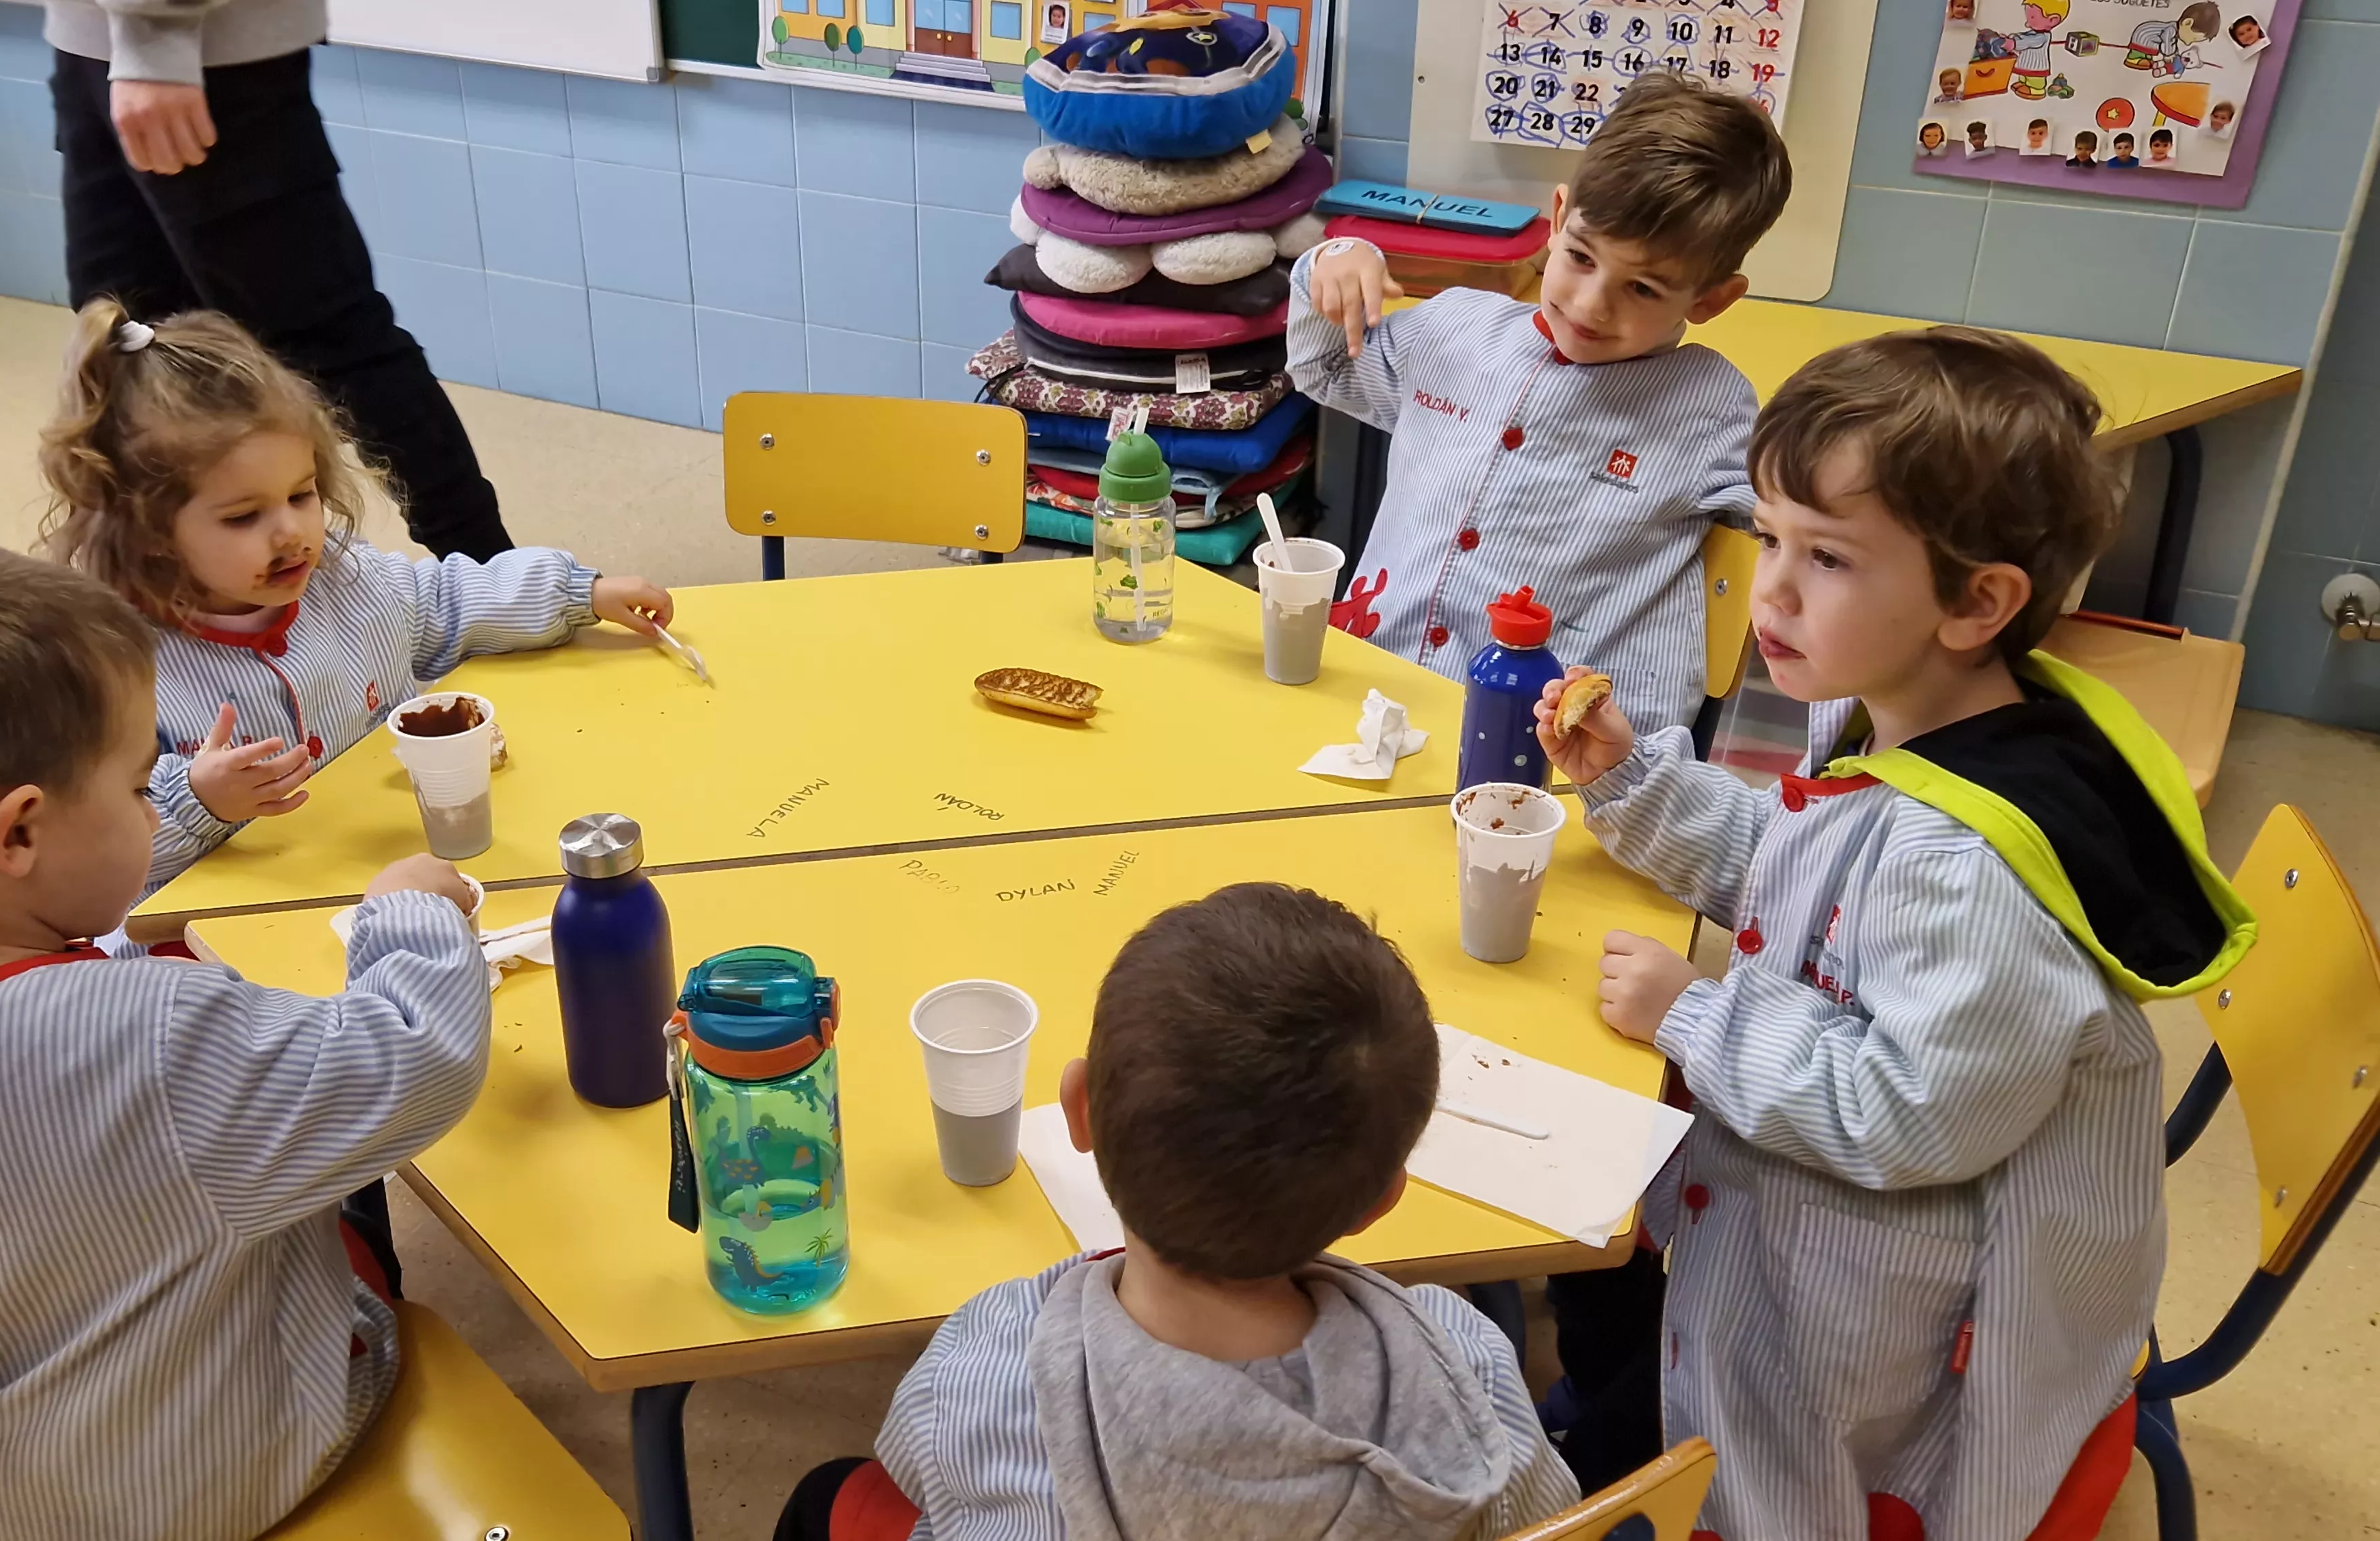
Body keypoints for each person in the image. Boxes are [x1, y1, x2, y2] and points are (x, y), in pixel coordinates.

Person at [1533, 327, 2252, 1539]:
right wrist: (1636, 787)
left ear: (1978, 602)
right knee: (1600, 1257)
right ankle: (1616, 1418)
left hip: (1884, 1333)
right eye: (1768, 536)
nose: (1771, 588)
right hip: (1827, 1209)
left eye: (1828, 557)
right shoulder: (1907, 717)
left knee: (1614, 1246)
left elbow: (1902, 1115)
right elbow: (1796, 861)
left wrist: (1694, 1011)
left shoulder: (1960, 869)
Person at [0, 537, 500, 1541]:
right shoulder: (161, 1038)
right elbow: (421, 1064)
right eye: (145, 786)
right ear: (18, 835)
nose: (159, 804)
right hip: (215, 1477)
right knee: (347, 1187)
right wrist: (411, 915)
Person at [778, 885, 1582, 1541]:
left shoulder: (982, 1364)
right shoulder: (1469, 1362)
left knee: (827, 1497)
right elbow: (1550, 1515)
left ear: (1078, 1110)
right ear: (1382, 1198)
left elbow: (920, 1474)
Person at [38, 300, 675, 896]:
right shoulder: (113, 672)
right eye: (242, 517)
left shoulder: (345, 581)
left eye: (301, 494)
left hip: (390, 869)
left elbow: (446, 601)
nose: (291, 532)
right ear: (147, 534)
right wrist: (201, 803)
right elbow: (91, 860)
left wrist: (576, 592)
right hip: (242, 916)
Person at [1291, 70, 1790, 731]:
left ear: (1709, 300)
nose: (1591, 305)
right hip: (1371, 700)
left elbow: (1796, 531)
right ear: (1557, 219)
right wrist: (1329, 263)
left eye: (1642, 290)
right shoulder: (1454, 330)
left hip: (1554, 752)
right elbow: (1323, 367)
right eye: (1581, 257)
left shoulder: (1709, 406)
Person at [42, 0, 515, 560]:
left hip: (196, 50)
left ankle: (497, 580)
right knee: (127, 334)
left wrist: (156, 41)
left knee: (326, 341)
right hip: (93, 39)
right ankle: (157, 580)